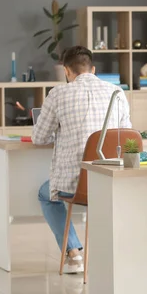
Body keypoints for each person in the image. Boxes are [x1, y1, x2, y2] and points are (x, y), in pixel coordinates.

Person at [33, 46, 131, 274]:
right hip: (110, 179)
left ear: (67, 71)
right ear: (93, 69)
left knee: (45, 194)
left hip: (76, 185)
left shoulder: (58, 94)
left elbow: (39, 138)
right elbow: (126, 136)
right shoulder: (117, 92)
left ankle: (74, 254)